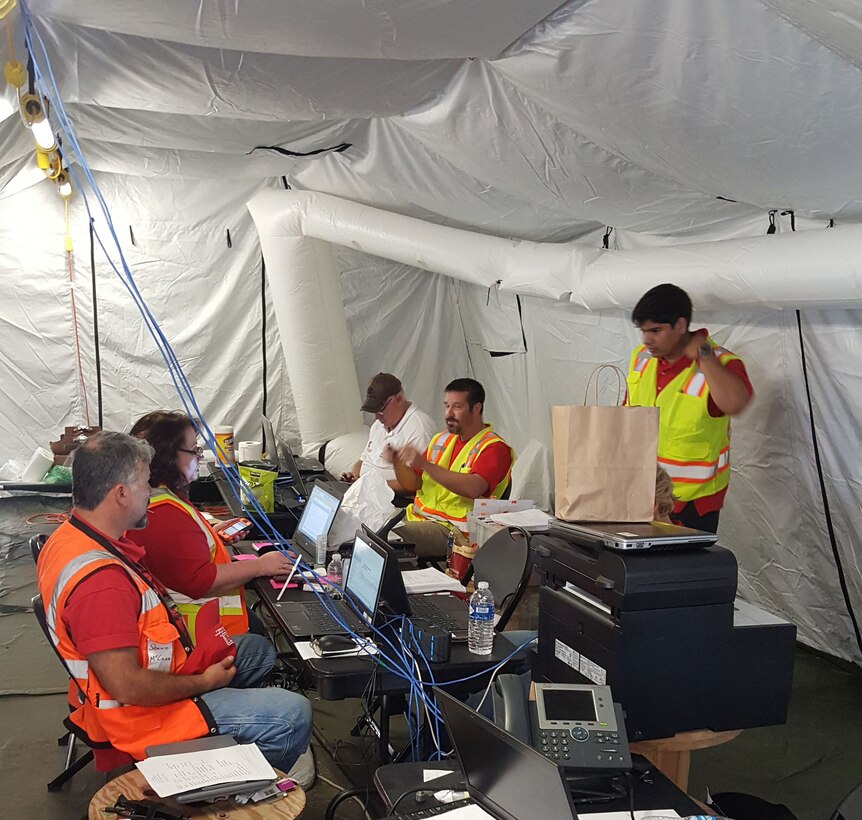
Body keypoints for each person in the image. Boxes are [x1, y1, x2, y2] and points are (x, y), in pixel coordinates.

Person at [35, 432, 312, 769]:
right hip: (141, 719)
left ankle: (229, 743)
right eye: (144, 485)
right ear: (120, 494)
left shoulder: (74, 536)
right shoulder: (101, 583)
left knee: (255, 651)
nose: (149, 495)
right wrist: (204, 682)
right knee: (292, 714)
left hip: (152, 674)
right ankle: (234, 789)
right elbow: (128, 686)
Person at [128, 411, 295, 640]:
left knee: (257, 627)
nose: (199, 456)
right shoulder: (163, 512)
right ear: (167, 455)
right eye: (194, 449)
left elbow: (176, 554)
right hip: (198, 637)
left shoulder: (157, 497)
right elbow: (201, 580)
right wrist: (261, 566)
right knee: (260, 648)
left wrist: (212, 536)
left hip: (193, 626)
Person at [627, 284, 753, 532]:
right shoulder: (641, 357)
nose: (647, 340)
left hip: (693, 505)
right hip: (643, 494)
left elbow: (736, 403)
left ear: (681, 325)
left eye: (655, 330)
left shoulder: (721, 362)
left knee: (685, 570)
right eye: (643, 331)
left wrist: (704, 356)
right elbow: (627, 412)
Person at [393, 378, 514, 560]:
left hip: (455, 532)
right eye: (446, 406)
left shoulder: (494, 448)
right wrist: (397, 462)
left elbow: (474, 488)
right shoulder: (440, 440)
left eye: (457, 407)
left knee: (386, 538)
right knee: (366, 526)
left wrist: (425, 464)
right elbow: (414, 484)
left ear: (476, 408)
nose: (448, 413)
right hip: (418, 518)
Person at [341, 373, 436, 503]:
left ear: (398, 398)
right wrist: (355, 476)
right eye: (374, 411)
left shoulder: (420, 429)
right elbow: (363, 460)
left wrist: (372, 485)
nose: (377, 417)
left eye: (381, 410)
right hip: (367, 492)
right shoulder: (379, 425)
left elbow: (418, 483)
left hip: (396, 499)